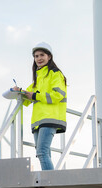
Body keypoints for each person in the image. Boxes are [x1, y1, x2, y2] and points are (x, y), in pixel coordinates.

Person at [13, 42, 67, 170]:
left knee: (42, 152)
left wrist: (35, 96)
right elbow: (27, 97)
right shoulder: (38, 78)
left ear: (49, 56)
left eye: (42, 55)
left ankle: (51, 182)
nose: (39, 58)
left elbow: (57, 95)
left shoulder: (55, 73)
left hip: (51, 117)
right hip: (38, 120)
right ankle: (51, 179)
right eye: (36, 56)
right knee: (44, 152)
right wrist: (18, 91)